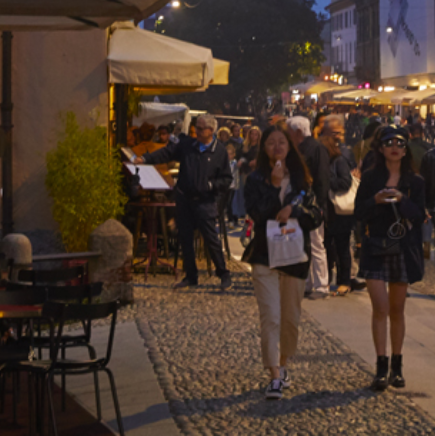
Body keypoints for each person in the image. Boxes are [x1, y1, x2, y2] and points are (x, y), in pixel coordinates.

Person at [242, 124, 323, 400]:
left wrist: (295, 209)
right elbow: (257, 213)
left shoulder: (303, 181)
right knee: (271, 316)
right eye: (271, 143)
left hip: (295, 256)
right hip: (265, 255)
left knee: (290, 318)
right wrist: (274, 186)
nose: (277, 147)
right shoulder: (255, 180)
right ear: (264, 150)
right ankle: (274, 374)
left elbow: (317, 215)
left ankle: (284, 364)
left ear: (290, 147)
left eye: (282, 143)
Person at [354, 125, 427, 391]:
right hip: (376, 246)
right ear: (381, 148)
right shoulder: (372, 178)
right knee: (380, 307)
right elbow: (358, 212)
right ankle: (380, 366)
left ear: (405, 149)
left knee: (397, 309)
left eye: (400, 143)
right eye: (389, 143)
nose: (395, 147)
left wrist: (401, 201)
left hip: (403, 248)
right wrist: (376, 200)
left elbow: (420, 215)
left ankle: (397, 366)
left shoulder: (415, 181)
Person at [137, 113, 233, 291]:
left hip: (205, 201)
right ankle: (191, 276)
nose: (197, 130)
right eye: (197, 127)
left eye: (201, 128)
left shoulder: (219, 151)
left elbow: (226, 179)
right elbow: (167, 152)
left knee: (211, 238)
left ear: (211, 131)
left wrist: (211, 185)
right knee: (185, 238)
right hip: (184, 198)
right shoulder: (188, 144)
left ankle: (224, 274)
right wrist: (145, 158)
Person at [286, 116, 331, 299]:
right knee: (303, 244)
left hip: (312, 204)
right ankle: (308, 282)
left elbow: (322, 179)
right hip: (300, 203)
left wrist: (319, 205)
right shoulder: (298, 149)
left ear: (297, 132)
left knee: (316, 244)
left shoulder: (316, 148)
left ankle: (321, 285)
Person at [320, 115, 361, 295]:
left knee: (342, 246)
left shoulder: (340, 160)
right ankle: (327, 280)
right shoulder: (331, 160)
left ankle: (344, 281)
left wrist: (326, 182)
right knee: (327, 246)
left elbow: (345, 182)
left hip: (340, 211)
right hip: (329, 210)